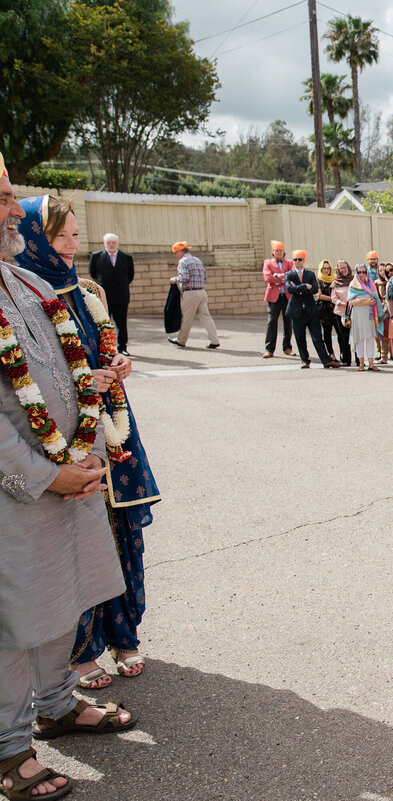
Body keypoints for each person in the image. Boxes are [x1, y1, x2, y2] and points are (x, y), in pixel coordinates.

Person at [0, 158, 138, 800]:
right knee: (12, 615)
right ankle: (7, 749)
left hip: (70, 475)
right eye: (2, 198)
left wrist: (89, 428)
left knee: (65, 593)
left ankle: (56, 703)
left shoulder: (27, 284)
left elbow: (70, 370)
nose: (14, 209)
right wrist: (42, 475)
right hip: (16, 492)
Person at [15, 194, 162, 693]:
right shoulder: (24, 298)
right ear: (37, 241)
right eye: (63, 237)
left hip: (112, 432)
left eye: (78, 235)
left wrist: (120, 364)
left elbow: (105, 346)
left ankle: (124, 634)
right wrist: (85, 383)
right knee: (75, 540)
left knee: (121, 533)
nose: (73, 246)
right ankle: (78, 655)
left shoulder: (90, 289)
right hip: (63, 442)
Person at [285, 250, 341, 369]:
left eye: (300, 259)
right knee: (300, 337)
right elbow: (290, 289)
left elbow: (315, 289)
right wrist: (305, 286)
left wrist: (298, 288)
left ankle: (326, 360)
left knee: (317, 337)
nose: (297, 262)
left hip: (310, 310)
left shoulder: (310, 274)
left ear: (304, 261)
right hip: (296, 311)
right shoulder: (289, 275)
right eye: (295, 259)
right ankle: (304, 360)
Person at [87, 233, 134, 355]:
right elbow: (93, 273)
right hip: (103, 296)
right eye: (109, 242)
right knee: (102, 323)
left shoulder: (126, 258)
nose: (111, 245)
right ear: (104, 244)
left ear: (117, 243)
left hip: (121, 296)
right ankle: (104, 349)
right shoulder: (96, 256)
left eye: (113, 242)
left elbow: (130, 276)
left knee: (121, 324)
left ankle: (122, 347)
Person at [167, 242, 220, 349]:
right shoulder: (197, 260)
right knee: (206, 317)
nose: (176, 255)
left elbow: (184, 277)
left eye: (176, 253)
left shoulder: (183, 262)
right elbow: (205, 277)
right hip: (202, 292)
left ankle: (181, 340)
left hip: (190, 293)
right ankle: (214, 340)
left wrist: (174, 279)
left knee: (186, 318)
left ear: (180, 252)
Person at [261, 240, 293, 358]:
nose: (279, 252)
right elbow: (268, 277)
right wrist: (282, 278)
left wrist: (277, 276)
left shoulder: (289, 262)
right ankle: (269, 349)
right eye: (276, 250)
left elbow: (292, 275)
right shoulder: (268, 262)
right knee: (271, 322)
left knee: (288, 322)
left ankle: (287, 347)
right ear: (273, 252)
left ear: (284, 252)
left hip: (287, 297)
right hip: (274, 297)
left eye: (281, 250)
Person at [348, 263, 380, 371]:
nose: (362, 274)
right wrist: (365, 301)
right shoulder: (353, 284)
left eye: (364, 272)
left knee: (370, 338)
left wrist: (360, 300)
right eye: (360, 272)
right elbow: (352, 302)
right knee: (359, 339)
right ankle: (361, 364)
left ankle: (371, 364)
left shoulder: (371, 284)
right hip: (357, 315)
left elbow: (375, 300)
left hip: (369, 314)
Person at [330, 260, 353, 365]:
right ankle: (347, 359)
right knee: (344, 336)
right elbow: (333, 298)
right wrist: (342, 303)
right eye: (341, 268)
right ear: (338, 270)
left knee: (355, 336)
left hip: (354, 311)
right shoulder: (336, 283)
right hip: (341, 312)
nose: (343, 270)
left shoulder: (354, 280)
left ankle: (359, 360)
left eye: (345, 267)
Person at [315, 259, 337, 357]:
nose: (326, 270)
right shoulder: (318, 280)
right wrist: (333, 299)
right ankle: (331, 354)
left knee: (340, 333)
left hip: (336, 309)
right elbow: (319, 295)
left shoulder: (335, 279)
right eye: (324, 268)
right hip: (324, 310)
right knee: (327, 333)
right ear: (321, 269)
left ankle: (342, 354)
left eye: (328, 268)